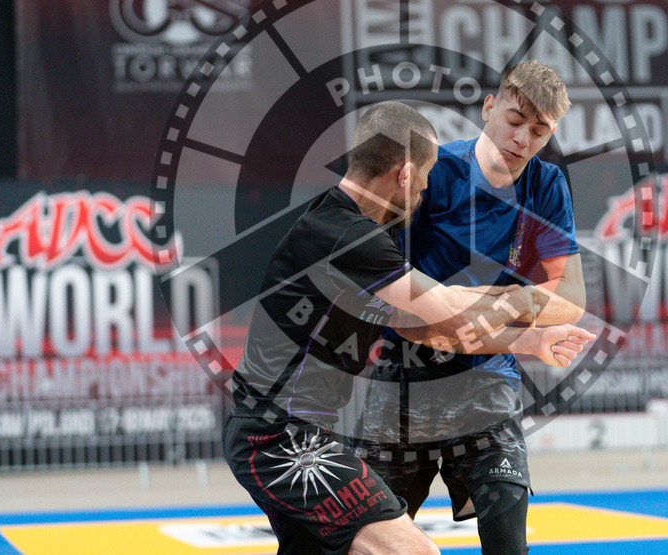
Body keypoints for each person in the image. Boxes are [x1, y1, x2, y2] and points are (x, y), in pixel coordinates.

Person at [223, 100, 595, 554]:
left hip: (298, 432)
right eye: (426, 174)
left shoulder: (351, 230)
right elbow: (449, 308)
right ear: (404, 174)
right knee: (416, 551)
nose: (425, 187)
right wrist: (526, 298)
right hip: (280, 437)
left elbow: (416, 322)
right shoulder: (349, 236)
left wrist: (529, 338)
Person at [356, 61, 586, 554]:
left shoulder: (546, 186)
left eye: (539, 131)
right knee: (368, 540)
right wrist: (522, 325)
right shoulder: (433, 173)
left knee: (508, 534)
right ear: (488, 107)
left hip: (487, 382)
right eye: (514, 120)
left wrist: (513, 302)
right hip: (404, 382)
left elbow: (571, 299)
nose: (522, 139)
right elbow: (407, 318)